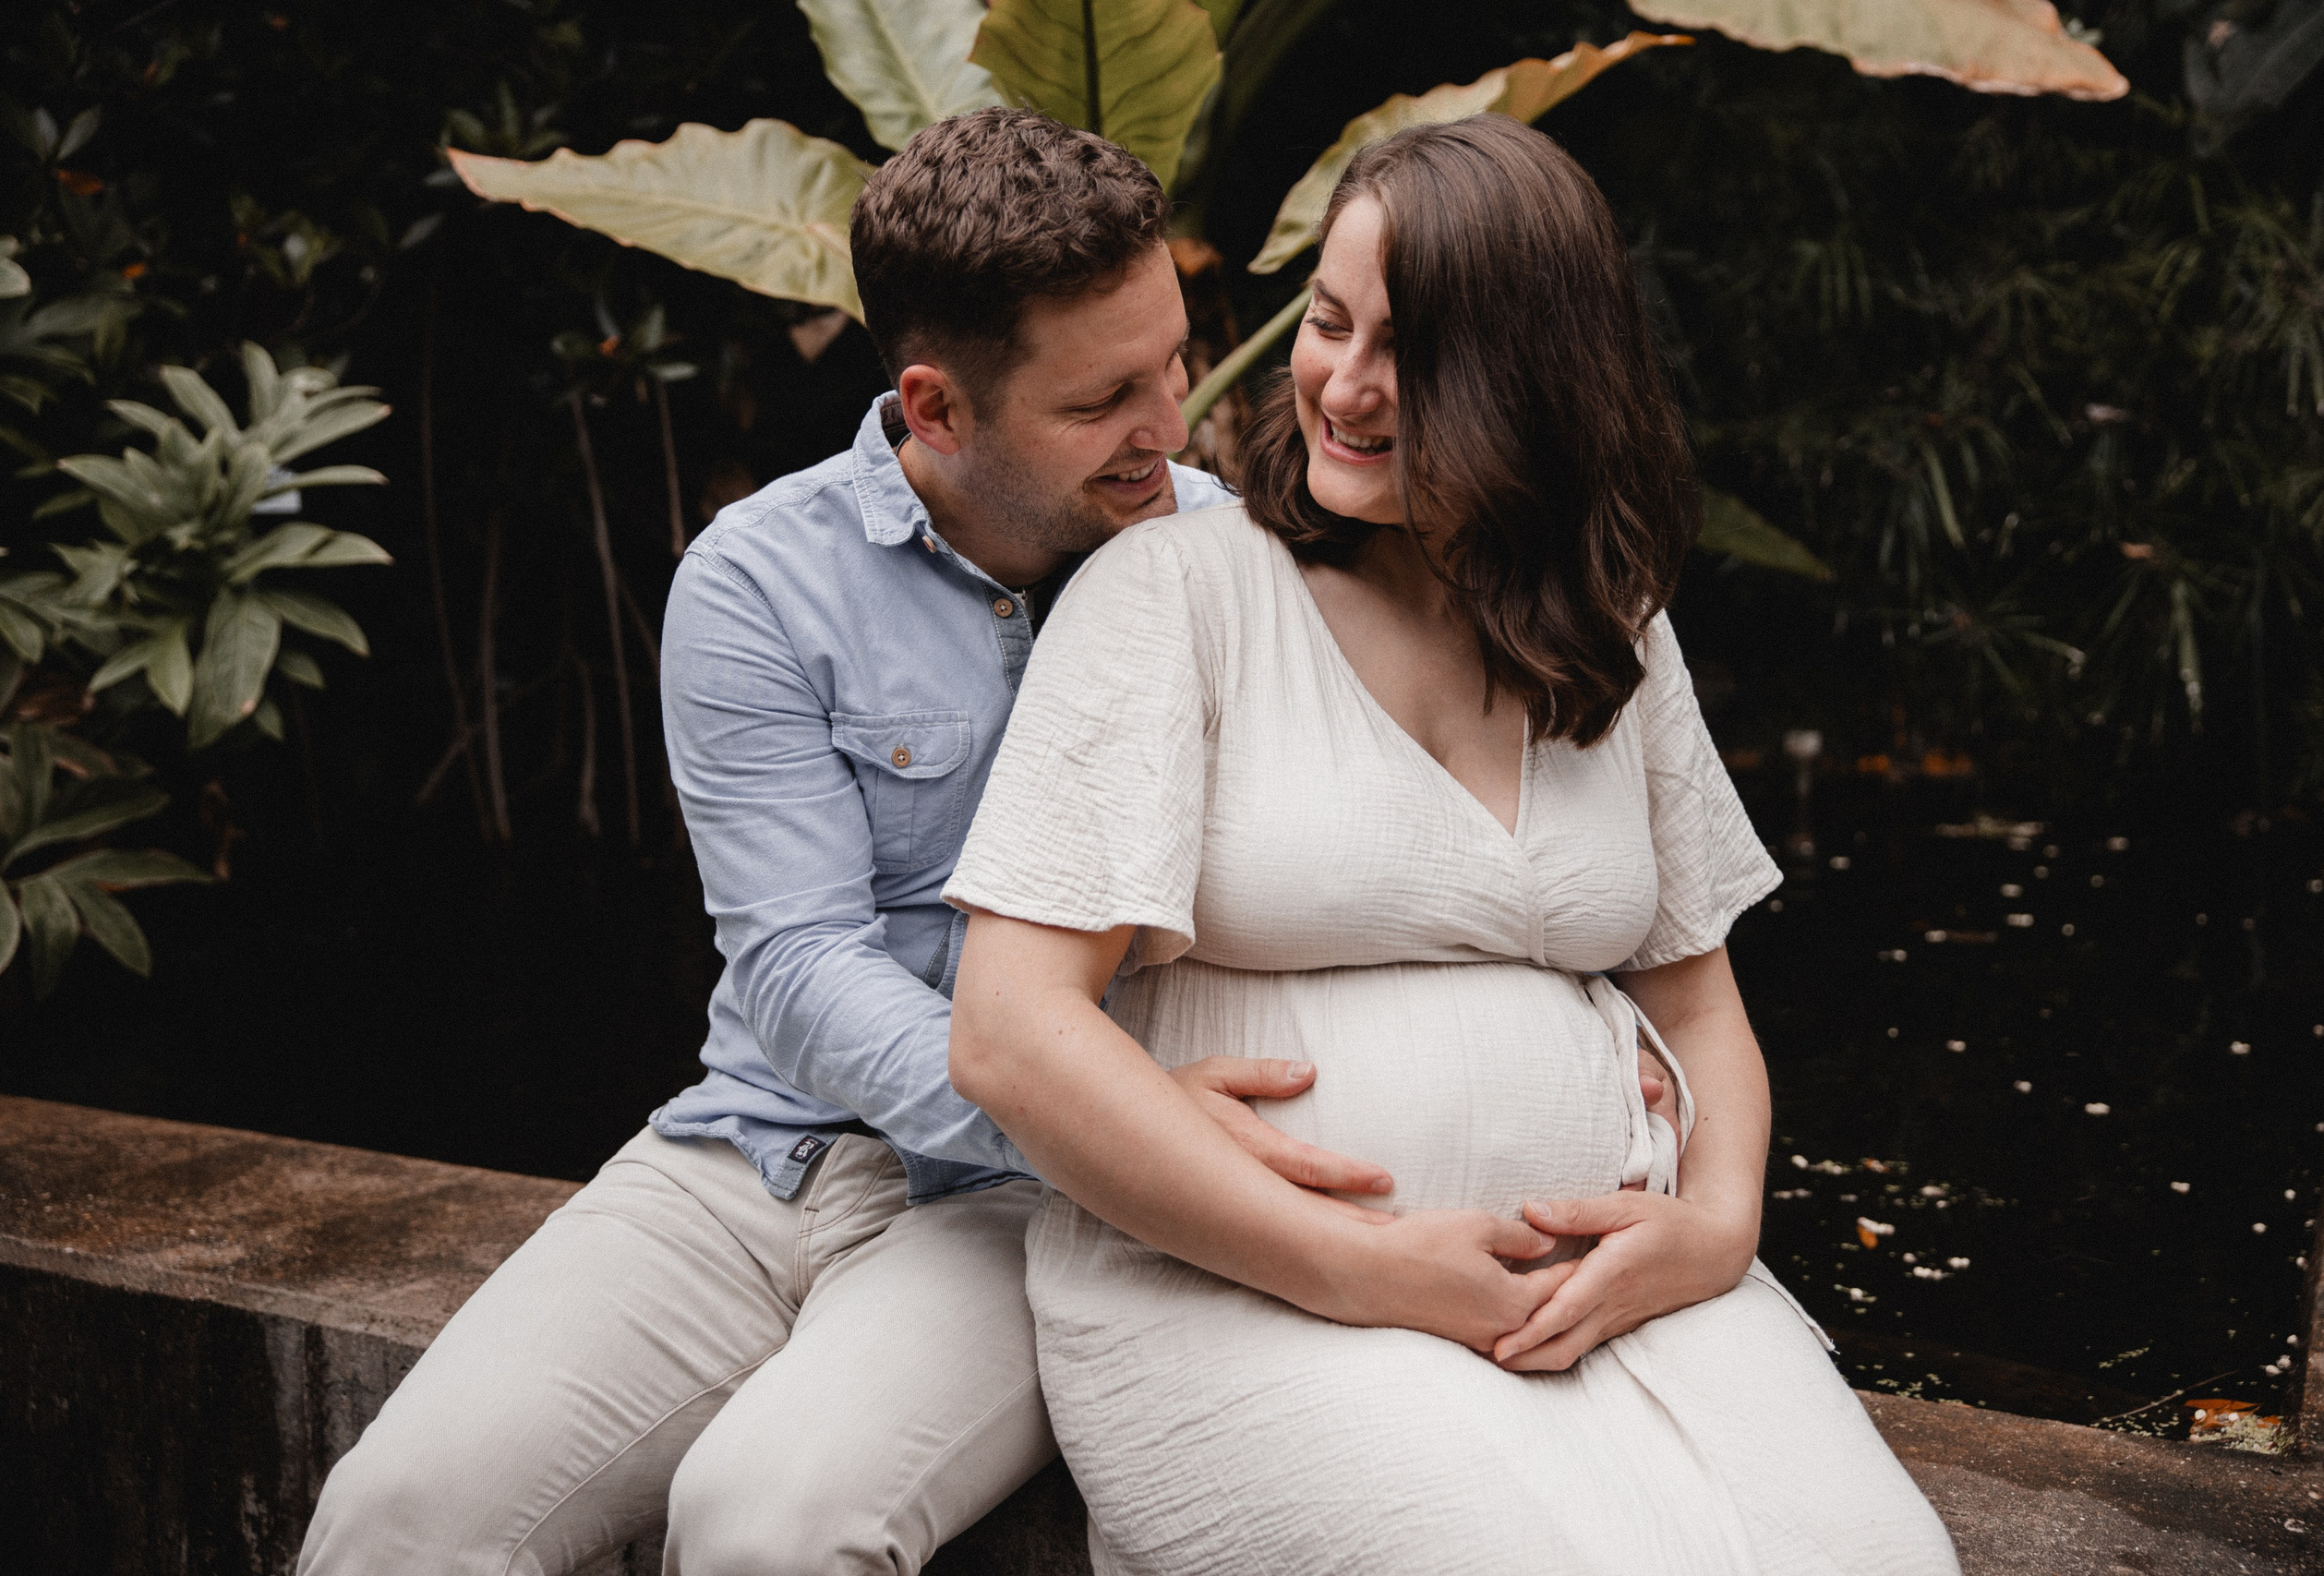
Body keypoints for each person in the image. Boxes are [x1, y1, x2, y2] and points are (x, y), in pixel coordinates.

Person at [296, 109, 1403, 1576]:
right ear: (935, 407)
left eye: (1172, 363)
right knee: (391, 1521)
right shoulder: (755, 582)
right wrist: (1083, 1102)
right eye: (1103, 400)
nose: (1170, 424)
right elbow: (800, 962)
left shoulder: (1231, 561)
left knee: (769, 1531)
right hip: (752, 1151)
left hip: (1034, 1203)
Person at [942, 116, 1962, 1573]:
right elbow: (1011, 1034)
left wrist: (1718, 1227)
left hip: (1613, 1301)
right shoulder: (1177, 594)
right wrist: (1362, 1265)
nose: (1345, 387)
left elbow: (1697, 1005)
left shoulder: (1609, 626)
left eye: (1411, 352)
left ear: (1535, 377)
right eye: (1329, 324)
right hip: (1255, 1300)